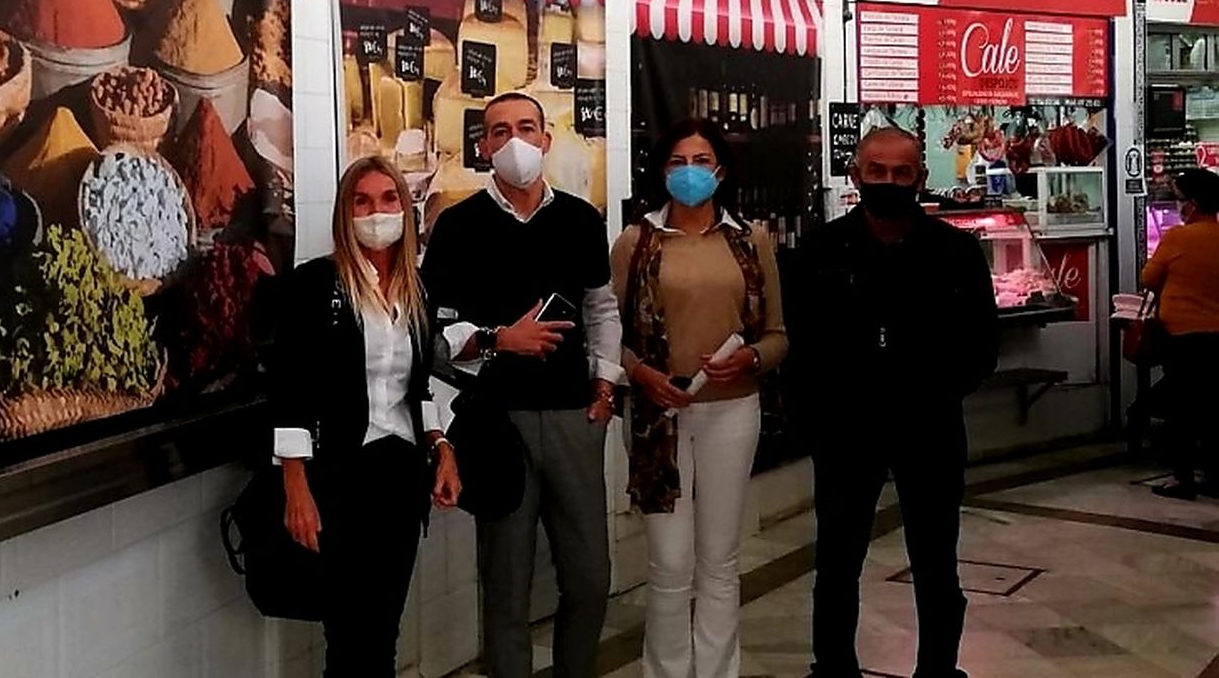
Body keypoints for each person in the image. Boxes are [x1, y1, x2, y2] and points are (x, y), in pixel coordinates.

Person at [422, 91, 622, 678]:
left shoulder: (581, 220)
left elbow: (602, 311)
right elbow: (434, 338)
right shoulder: (457, 227)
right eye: (499, 131)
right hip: (495, 425)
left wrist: (605, 388)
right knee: (506, 587)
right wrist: (496, 339)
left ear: (546, 139)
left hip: (572, 419)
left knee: (590, 577)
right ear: (482, 147)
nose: (514, 141)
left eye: (526, 128)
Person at [790, 126, 998, 678]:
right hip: (845, 431)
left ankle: (938, 670)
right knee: (836, 563)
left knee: (936, 564)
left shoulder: (956, 251)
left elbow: (981, 344)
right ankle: (833, 668)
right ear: (856, 175)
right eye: (877, 171)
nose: (888, 181)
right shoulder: (819, 250)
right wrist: (823, 411)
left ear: (920, 178)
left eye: (901, 172)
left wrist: (934, 390)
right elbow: (801, 344)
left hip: (929, 429)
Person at [271, 156, 463, 678]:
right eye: (362, 201)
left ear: (405, 208)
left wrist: (441, 446)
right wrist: (295, 485)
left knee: (383, 628)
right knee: (349, 634)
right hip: (338, 475)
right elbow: (290, 385)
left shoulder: (417, 290)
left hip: (400, 473)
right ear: (344, 213)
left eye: (387, 199)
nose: (375, 211)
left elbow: (420, 381)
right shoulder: (314, 286)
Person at [611, 119, 789, 678]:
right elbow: (606, 335)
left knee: (720, 560)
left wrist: (751, 358)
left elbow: (778, 334)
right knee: (668, 563)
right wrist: (640, 374)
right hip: (656, 416)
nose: (690, 173)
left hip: (732, 409)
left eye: (700, 161)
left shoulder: (749, 240)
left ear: (720, 170)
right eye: (678, 162)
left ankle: (716, 671)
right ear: (662, 172)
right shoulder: (636, 242)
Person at [1140, 168, 1219, 500]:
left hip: (1183, 335)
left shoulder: (1177, 238)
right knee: (1214, 408)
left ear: (1194, 203)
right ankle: (1215, 478)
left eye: (1180, 199)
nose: (1177, 205)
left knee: (1182, 410)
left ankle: (1183, 478)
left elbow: (1148, 278)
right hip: (1217, 336)